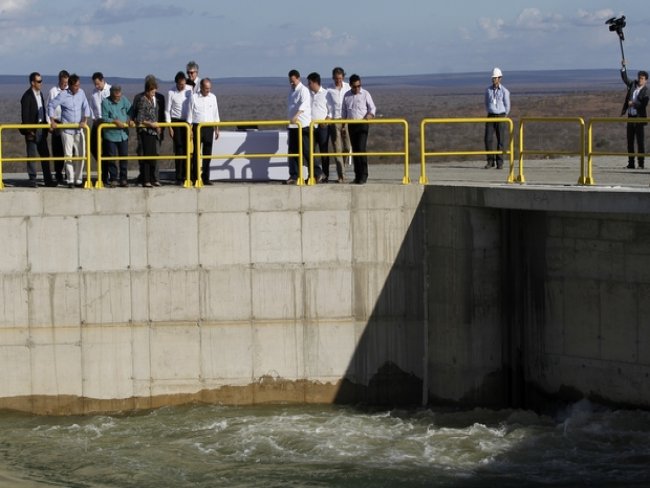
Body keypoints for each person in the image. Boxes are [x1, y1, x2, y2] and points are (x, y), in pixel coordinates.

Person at [47, 73, 91, 188]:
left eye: (79, 85)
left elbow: (86, 106)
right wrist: (52, 121)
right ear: (70, 85)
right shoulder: (63, 95)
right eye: (76, 85)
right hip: (67, 130)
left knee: (81, 154)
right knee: (68, 155)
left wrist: (85, 120)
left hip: (79, 129)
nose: (78, 87)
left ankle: (78, 178)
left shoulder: (81, 93)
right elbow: (51, 105)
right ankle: (70, 179)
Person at [20, 71, 55, 187]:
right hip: (32, 131)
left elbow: (43, 112)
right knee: (32, 155)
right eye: (39, 81)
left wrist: (47, 126)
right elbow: (25, 116)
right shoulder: (26, 97)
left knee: (45, 155)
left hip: (42, 129)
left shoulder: (40, 94)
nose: (41, 83)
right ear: (32, 83)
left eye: (41, 81)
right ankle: (32, 180)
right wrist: (29, 131)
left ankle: (48, 179)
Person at [341, 74, 375, 184]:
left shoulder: (365, 94)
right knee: (355, 150)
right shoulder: (346, 95)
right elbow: (344, 112)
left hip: (362, 123)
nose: (357, 88)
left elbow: (372, 107)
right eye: (354, 86)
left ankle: (364, 175)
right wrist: (343, 125)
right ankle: (357, 175)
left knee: (361, 148)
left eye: (359, 86)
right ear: (350, 85)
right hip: (351, 125)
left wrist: (370, 115)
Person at [131, 75, 165, 183]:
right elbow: (139, 118)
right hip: (146, 132)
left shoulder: (158, 98)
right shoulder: (141, 99)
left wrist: (159, 127)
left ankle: (153, 177)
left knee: (154, 155)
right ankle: (146, 179)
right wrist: (151, 125)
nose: (154, 92)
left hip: (155, 132)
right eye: (152, 90)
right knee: (145, 155)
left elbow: (159, 115)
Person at [287, 69, 319, 184]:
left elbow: (304, 104)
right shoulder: (291, 91)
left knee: (306, 151)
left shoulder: (303, 90)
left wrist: (296, 116)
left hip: (303, 125)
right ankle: (294, 175)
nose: (292, 83)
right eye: (290, 81)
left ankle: (316, 172)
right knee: (293, 151)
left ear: (298, 79)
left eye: (293, 81)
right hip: (293, 127)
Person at [187, 78, 220, 185]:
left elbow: (215, 113)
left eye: (209, 88)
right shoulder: (194, 97)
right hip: (197, 127)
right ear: (201, 87)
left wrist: (216, 128)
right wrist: (190, 129)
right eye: (206, 88)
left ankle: (206, 177)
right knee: (196, 153)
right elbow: (190, 114)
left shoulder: (213, 97)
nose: (208, 90)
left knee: (207, 153)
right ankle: (195, 177)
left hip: (209, 127)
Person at [101, 85, 133, 187]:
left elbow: (131, 110)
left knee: (124, 157)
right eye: (116, 96)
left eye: (119, 96)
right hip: (111, 135)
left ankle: (124, 179)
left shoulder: (124, 100)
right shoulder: (105, 102)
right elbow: (105, 118)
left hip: (123, 134)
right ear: (111, 94)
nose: (118, 98)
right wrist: (115, 121)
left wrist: (131, 119)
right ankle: (113, 178)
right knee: (111, 157)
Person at [621, 60, 649, 169]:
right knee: (630, 141)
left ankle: (641, 164)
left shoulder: (646, 91)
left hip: (639, 118)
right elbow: (625, 79)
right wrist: (623, 67)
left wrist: (633, 103)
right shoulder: (633, 84)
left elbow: (644, 103)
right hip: (631, 117)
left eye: (642, 78)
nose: (640, 80)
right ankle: (631, 163)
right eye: (639, 77)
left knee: (640, 142)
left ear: (646, 80)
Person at [165, 71, 192, 184]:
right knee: (179, 149)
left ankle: (187, 175)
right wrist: (169, 127)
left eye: (184, 84)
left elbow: (191, 107)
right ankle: (179, 176)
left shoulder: (189, 90)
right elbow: (167, 110)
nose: (182, 86)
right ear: (176, 83)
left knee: (187, 149)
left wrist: (190, 126)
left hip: (187, 121)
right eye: (180, 84)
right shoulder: (171, 92)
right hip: (176, 121)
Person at [326, 67, 351, 183]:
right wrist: (329, 117)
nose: (338, 81)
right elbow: (329, 106)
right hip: (334, 120)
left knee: (347, 147)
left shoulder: (348, 87)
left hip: (346, 119)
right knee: (337, 148)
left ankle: (343, 167)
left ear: (343, 78)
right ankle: (341, 175)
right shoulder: (329, 90)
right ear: (333, 78)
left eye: (340, 79)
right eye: (336, 79)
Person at [484, 67, 510, 169]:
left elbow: (507, 105)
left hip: (501, 115)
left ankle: (500, 162)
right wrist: (491, 111)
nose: (494, 80)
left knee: (501, 140)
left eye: (495, 78)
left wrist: (503, 115)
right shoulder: (488, 90)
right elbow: (486, 103)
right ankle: (490, 161)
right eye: (493, 78)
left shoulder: (504, 91)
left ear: (500, 78)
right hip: (490, 116)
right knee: (488, 139)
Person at [46, 70, 69, 184]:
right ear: (59, 80)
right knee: (58, 149)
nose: (65, 84)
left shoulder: (70, 91)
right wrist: (49, 123)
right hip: (56, 122)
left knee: (69, 149)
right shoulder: (53, 91)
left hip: (68, 123)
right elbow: (48, 107)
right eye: (63, 82)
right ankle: (58, 173)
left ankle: (69, 173)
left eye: (67, 82)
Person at [307, 72, 328, 183]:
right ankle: (314, 175)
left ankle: (325, 175)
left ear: (315, 82)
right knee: (309, 151)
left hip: (322, 127)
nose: (308, 85)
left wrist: (326, 121)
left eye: (309, 83)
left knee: (323, 152)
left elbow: (331, 110)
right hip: (310, 126)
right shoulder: (308, 94)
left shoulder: (326, 93)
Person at [90, 72, 111, 164]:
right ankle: (101, 164)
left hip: (107, 122)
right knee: (92, 146)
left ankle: (108, 170)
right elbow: (92, 107)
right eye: (95, 84)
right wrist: (93, 118)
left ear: (103, 80)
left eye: (98, 83)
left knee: (107, 147)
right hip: (97, 122)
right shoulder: (94, 92)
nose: (97, 86)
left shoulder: (110, 90)